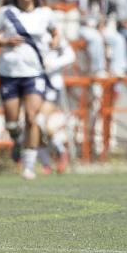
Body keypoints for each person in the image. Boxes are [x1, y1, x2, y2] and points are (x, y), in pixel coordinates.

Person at [0, 0, 59, 180]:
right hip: (9, 73)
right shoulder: (5, 13)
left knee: (32, 117)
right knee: (12, 123)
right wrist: (5, 41)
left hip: (34, 73)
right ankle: (17, 140)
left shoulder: (45, 14)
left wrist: (54, 43)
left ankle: (28, 166)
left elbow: (55, 33)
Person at [77, 0, 127, 77]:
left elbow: (103, 16)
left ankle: (118, 68)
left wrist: (101, 26)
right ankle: (98, 69)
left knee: (118, 39)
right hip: (85, 28)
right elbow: (83, 16)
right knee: (96, 39)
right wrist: (95, 28)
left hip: (99, 28)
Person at [39, 36, 76, 174]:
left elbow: (70, 56)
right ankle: (45, 163)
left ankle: (60, 152)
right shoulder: (24, 33)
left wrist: (52, 63)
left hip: (51, 86)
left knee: (39, 120)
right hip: (30, 84)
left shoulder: (52, 33)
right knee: (32, 125)